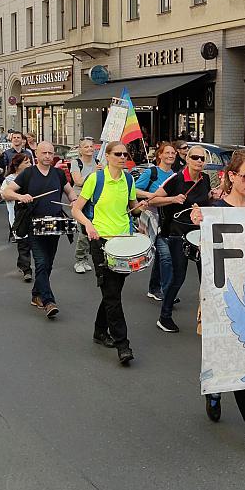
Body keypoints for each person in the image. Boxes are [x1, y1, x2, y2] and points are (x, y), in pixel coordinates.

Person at [189, 152, 245, 465]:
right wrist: (198, 222)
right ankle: (225, 399)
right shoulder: (214, 210)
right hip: (220, 296)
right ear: (231, 176)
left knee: (241, 362)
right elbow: (199, 247)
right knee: (228, 357)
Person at [72, 141, 145, 365]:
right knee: (112, 294)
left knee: (113, 291)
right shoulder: (96, 179)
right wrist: (89, 225)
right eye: (118, 154)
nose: (123, 157)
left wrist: (141, 209)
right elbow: (76, 208)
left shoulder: (129, 179)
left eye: (125, 154)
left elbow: (132, 207)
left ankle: (99, 331)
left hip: (124, 243)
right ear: (108, 156)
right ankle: (123, 344)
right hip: (101, 241)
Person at [2, 141, 78, 319]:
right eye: (44, 153)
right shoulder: (28, 174)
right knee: (41, 263)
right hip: (34, 224)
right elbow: (6, 192)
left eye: (50, 153)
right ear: (37, 154)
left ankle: (36, 294)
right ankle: (48, 301)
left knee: (48, 264)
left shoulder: (59, 174)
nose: (47, 156)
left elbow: (70, 192)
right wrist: (21, 196)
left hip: (55, 224)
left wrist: (75, 201)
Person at [149, 145, 217, 332]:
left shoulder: (204, 180)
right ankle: (164, 317)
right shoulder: (176, 179)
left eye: (202, 158)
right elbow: (152, 200)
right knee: (178, 277)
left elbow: (205, 201)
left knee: (207, 277)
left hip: (200, 234)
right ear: (186, 159)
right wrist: (172, 199)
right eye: (195, 157)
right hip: (178, 234)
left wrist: (212, 196)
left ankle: (206, 318)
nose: (199, 161)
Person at [135, 141, 176, 301]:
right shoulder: (151, 172)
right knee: (166, 256)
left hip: (168, 220)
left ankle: (154, 288)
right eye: (167, 153)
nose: (170, 156)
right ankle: (167, 292)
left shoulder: (175, 175)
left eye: (173, 153)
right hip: (153, 218)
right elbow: (134, 190)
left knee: (161, 256)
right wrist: (150, 196)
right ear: (160, 155)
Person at [70, 137, 102, 274]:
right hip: (80, 199)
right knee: (83, 231)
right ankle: (79, 259)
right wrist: (95, 173)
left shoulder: (98, 162)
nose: (90, 149)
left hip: (94, 199)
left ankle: (86, 258)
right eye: (86, 147)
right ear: (80, 149)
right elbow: (78, 181)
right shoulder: (76, 163)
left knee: (95, 229)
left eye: (91, 146)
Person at [3, 152, 34, 282]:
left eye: (30, 162)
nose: (30, 165)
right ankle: (26, 269)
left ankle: (28, 264)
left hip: (34, 213)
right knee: (23, 242)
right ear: (18, 166)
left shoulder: (34, 176)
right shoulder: (10, 179)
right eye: (26, 162)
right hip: (18, 215)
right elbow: (5, 194)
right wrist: (19, 197)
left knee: (34, 242)